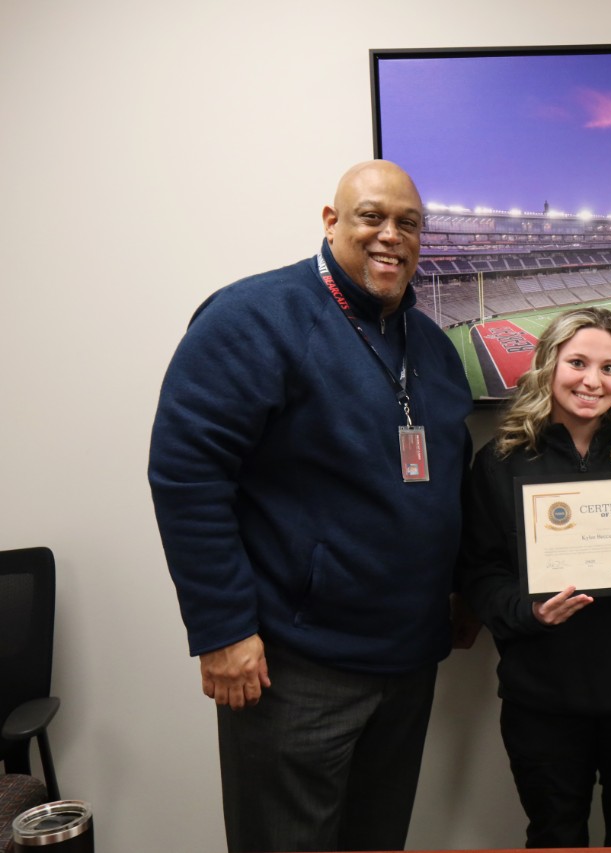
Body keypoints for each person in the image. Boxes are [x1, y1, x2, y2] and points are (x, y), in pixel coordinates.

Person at [148, 160, 474, 852]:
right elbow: (187, 473)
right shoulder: (253, 317)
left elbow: (448, 485)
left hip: (407, 661)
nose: (392, 235)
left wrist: (461, 589)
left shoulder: (436, 352)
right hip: (296, 668)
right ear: (331, 222)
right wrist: (221, 628)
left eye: (409, 223)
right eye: (371, 216)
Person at [460, 306, 611, 848]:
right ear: (549, 365)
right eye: (577, 362)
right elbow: (480, 573)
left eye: (609, 368)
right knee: (553, 836)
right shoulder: (500, 462)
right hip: (544, 702)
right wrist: (529, 612)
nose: (592, 381)